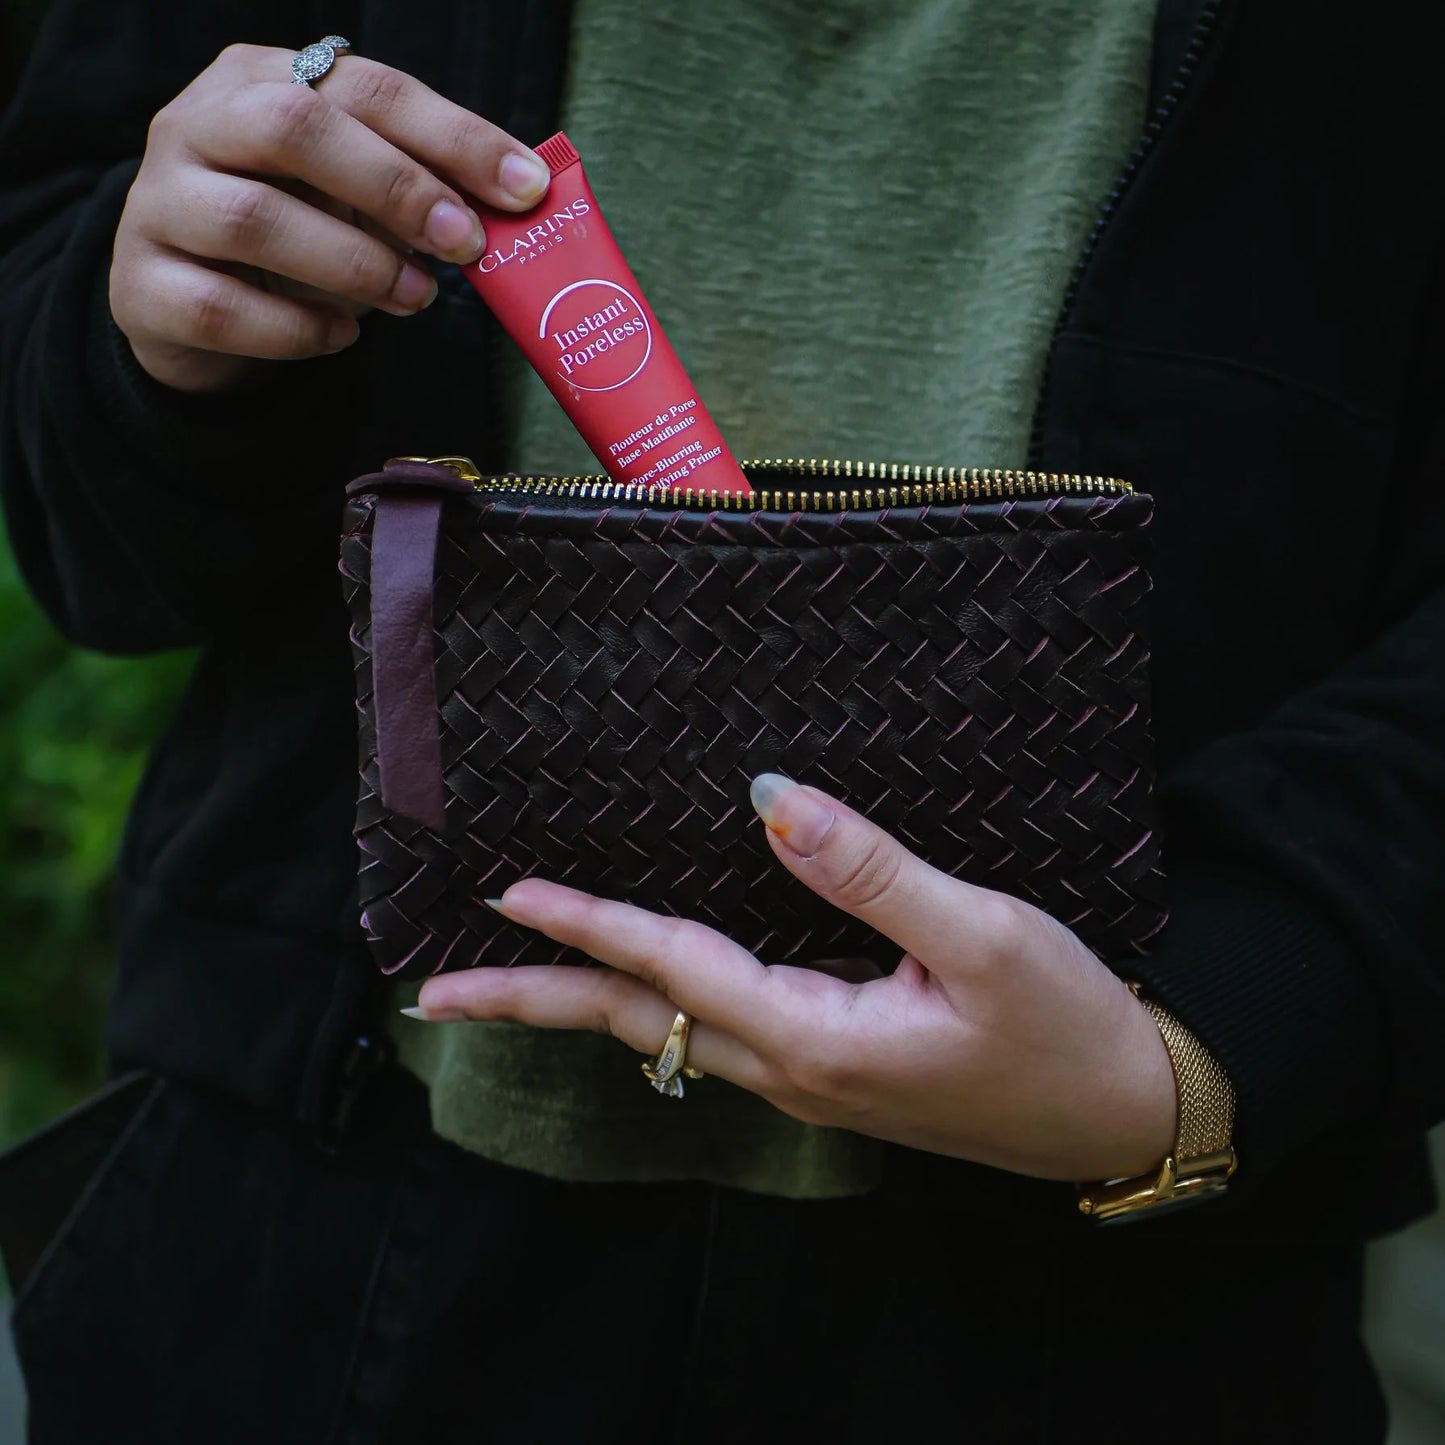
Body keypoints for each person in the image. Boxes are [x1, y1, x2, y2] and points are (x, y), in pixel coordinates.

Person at [2, 2, 1443, 1441]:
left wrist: (1216, 1034)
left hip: (1124, 1309)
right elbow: (83, 514)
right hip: (317, 1220)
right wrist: (156, 331)